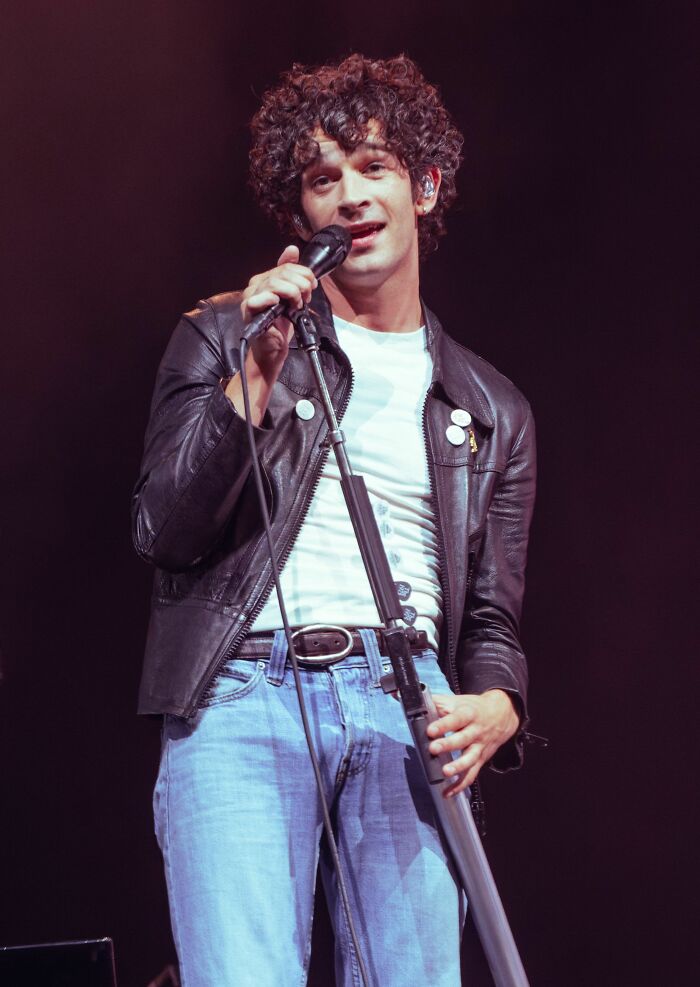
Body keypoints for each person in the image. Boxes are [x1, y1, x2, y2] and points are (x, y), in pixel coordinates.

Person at [132, 53, 536, 987]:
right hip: (240, 694)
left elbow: (492, 622)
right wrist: (259, 373)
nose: (349, 196)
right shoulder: (224, 333)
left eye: (374, 167)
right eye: (323, 179)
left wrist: (499, 706)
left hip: (407, 707)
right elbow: (165, 529)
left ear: (425, 187)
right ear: (301, 215)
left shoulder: (493, 407)